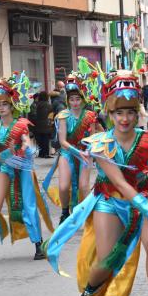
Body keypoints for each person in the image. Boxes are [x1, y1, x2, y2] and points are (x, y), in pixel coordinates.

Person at [43, 70, 148, 296]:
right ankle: (88, 293)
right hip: (109, 200)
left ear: (138, 112)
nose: (124, 118)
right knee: (107, 259)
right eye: (118, 113)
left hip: (145, 198)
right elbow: (117, 182)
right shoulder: (100, 143)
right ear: (110, 113)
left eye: (130, 112)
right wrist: (147, 208)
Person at [0, 74, 54, 263]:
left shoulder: (21, 125)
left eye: (4, 104)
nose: (1, 108)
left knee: (29, 205)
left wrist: (25, 147)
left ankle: (38, 244)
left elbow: (26, 142)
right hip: (5, 167)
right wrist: (9, 152)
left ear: (11, 105)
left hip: (24, 168)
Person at [43, 74, 97, 224]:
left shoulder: (90, 116)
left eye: (77, 99)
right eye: (72, 99)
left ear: (83, 99)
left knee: (84, 186)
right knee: (64, 186)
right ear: (68, 100)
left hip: (85, 153)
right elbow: (62, 141)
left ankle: (85, 215)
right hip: (67, 152)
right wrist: (77, 152)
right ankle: (65, 211)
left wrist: (88, 152)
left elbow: (93, 138)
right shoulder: (62, 116)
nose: (75, 102)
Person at [30, 91, 53, 158]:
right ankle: (46, 153)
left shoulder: (37, 104)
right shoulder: (48, 105)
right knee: (46, 140)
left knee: (41, 140)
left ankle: (41, 153)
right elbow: (51, 115)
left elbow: (34, 115)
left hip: (38, 125)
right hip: (47, 125)